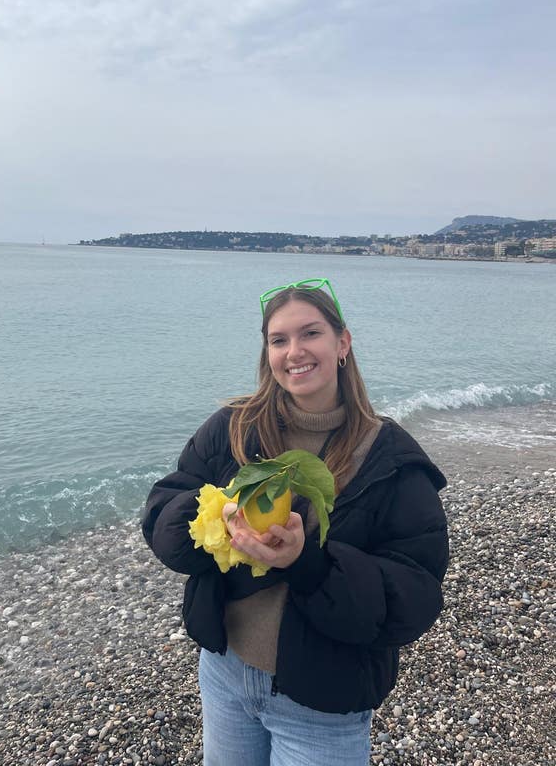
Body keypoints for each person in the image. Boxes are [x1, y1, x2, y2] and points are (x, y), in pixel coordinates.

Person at [142, 278, 449, 766]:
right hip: (225, 672)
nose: (294, 352)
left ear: (342, 343)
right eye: (279, 340)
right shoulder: (234, 428)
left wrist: (308, 563)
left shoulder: (389, 460)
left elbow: (414, 596)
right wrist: (213, 519)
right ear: (267, 353)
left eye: (310, 333)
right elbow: (162, 511)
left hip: (323, 698)